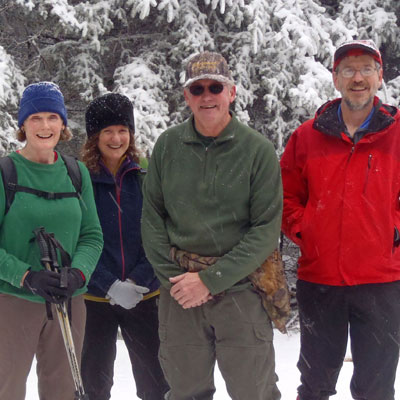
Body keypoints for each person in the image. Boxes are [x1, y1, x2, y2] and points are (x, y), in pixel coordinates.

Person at [141, 51, 283, 400]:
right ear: (186, 96)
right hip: (179, 294)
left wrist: (210, 280)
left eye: (215, 87)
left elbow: (265, 229)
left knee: (255, 392)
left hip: (241, 292)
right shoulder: (167, 147)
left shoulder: (257, 151)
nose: (207, 96)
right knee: (186, 391)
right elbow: (152, 219)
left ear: (231, 92)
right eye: (198, 88)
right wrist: (179, 283)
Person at [280, 39, 400, 400]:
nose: (357, 77)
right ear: (335, 78)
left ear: (380, 77)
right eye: (348, 69)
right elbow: (285, 197)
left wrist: (392, 231)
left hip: (382, 281)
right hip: (321, 280)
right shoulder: (307, 136)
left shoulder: (397, 133)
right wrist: (307, 231)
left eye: (366, 68)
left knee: (376, 388)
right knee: (315, 385)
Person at [0, 81, 103, 399]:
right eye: (35, 118)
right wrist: (27, 276)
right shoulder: (6, 173)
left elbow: (92, 235)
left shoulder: (77, 173)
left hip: (69, 300)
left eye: (52, 117)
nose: (45, 126)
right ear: (23, 125)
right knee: (7, 387)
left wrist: (78, 273)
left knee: (61, 390)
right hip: (13, 302)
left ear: (62, 123)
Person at [80, 93, 169, 400]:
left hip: (146, 295)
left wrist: (137, 280)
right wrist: (108, 285)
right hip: (93, 298)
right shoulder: (80, 179)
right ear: (95, 137)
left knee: (156, 383)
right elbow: (75, 240)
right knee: (93, 385)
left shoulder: (148, 173)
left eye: (122, 130)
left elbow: (162, 233)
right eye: (107, 131)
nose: (116, 138)